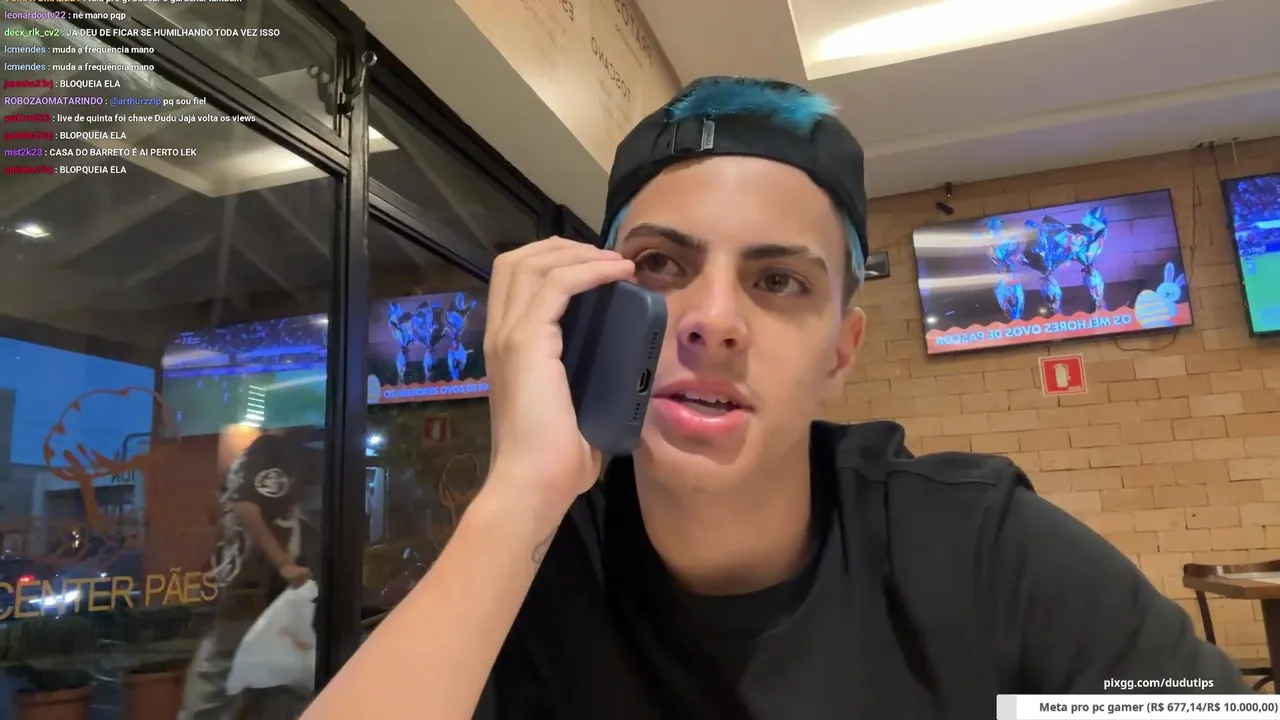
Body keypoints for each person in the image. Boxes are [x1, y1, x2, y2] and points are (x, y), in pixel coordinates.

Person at [303, 77, 1251, 719]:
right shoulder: (527, 571)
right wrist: (520, 493)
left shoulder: (979, 548)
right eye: (661, 265)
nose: (713, 320)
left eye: (778, 281)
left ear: (841, 352)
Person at [181, 427, 315, 720]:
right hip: (255, 591)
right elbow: (246, 508)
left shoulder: (272, 454)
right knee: (218, 677)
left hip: (266, 595)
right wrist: (284, 564)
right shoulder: (271, 450)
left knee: (282, 683)